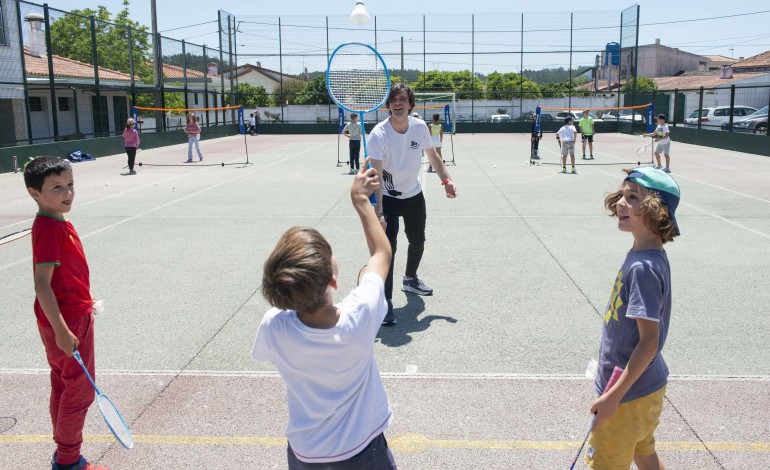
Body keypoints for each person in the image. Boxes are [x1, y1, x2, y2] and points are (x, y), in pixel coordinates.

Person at [252, 162, 397, 469]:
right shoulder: (361, 314)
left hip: (306, 453)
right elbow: (382, 254)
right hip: (363, 452)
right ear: (333, 281)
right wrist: (362, 203)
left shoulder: (273, 327)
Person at [586, 166, 681, 470]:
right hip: (645, 389)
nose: (620, 203)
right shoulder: (646, 256)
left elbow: (649, 343)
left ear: (656, 211)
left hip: (627, 394)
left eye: (633, 198)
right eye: (622, 195)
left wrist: (613, 396)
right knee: (643, 450)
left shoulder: (642, 267)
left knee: (607, 463)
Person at [23, 157, 107, 470]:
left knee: (63, 384)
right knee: (81, 392)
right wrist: (61, 329)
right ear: (35, 192)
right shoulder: (48, 227)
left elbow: (64, 276)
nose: (67, 193)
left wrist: (86, 296)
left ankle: (64, 453)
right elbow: (41, 284)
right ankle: (69, 461)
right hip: (68, 321)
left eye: (70, 185)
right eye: (57, 187)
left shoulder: (58, 220)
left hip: (69, 314)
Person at [368, 83, 458, 325]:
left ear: (410, 104)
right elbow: (375, 176)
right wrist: (379, 212)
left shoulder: (419, 128)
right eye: (394, 99)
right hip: (387, 198)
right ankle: (385, 303)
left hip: (413, 196)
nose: (398, 103)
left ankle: (410, 279)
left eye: (403, 99)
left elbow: (433, 156)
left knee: (418, 241)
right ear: (388, 105)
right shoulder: (378, 134)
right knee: (389, 250)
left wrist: (446, 180)